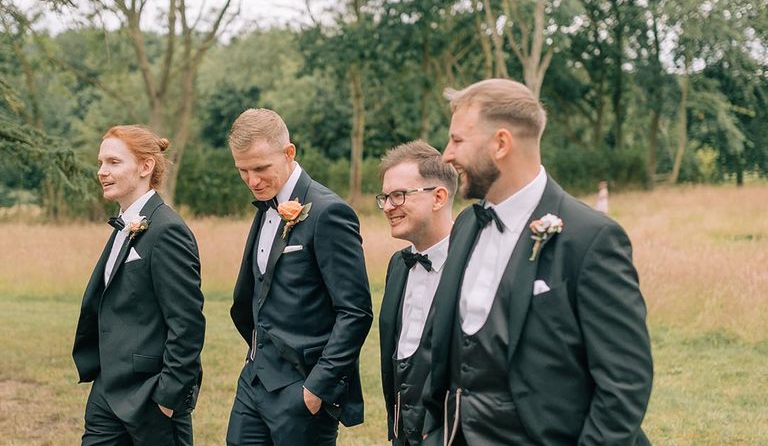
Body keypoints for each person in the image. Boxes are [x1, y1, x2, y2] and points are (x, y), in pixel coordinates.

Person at [422, 79, 653, 446]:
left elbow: (624, 382)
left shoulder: (590, 238)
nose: (446, 155)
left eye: (458, 141)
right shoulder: (466, 224)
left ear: (501, 143)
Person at [226, 108, 373, 446]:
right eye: (243, 170)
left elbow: (356, 312)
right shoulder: (266, 205)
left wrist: (316, 388)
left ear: (289, 153)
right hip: (254, 381)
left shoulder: (328, 212)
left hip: (302, 390)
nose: (252, 180)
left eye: (261, 168)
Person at [73, 125, 205, 446]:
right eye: (101, 163)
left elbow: (186, 324)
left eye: (114, 163)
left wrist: (167, 398)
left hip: (150, 397)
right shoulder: (124, 223)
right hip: (107, 390)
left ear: (146, 167)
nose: (102, 172)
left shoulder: (167, 231)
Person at [377, 141, 457, 445]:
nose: (387, 207)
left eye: (398, 195)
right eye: (384, 197)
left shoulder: (470, 264)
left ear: (438, 197)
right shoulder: (397, 265)